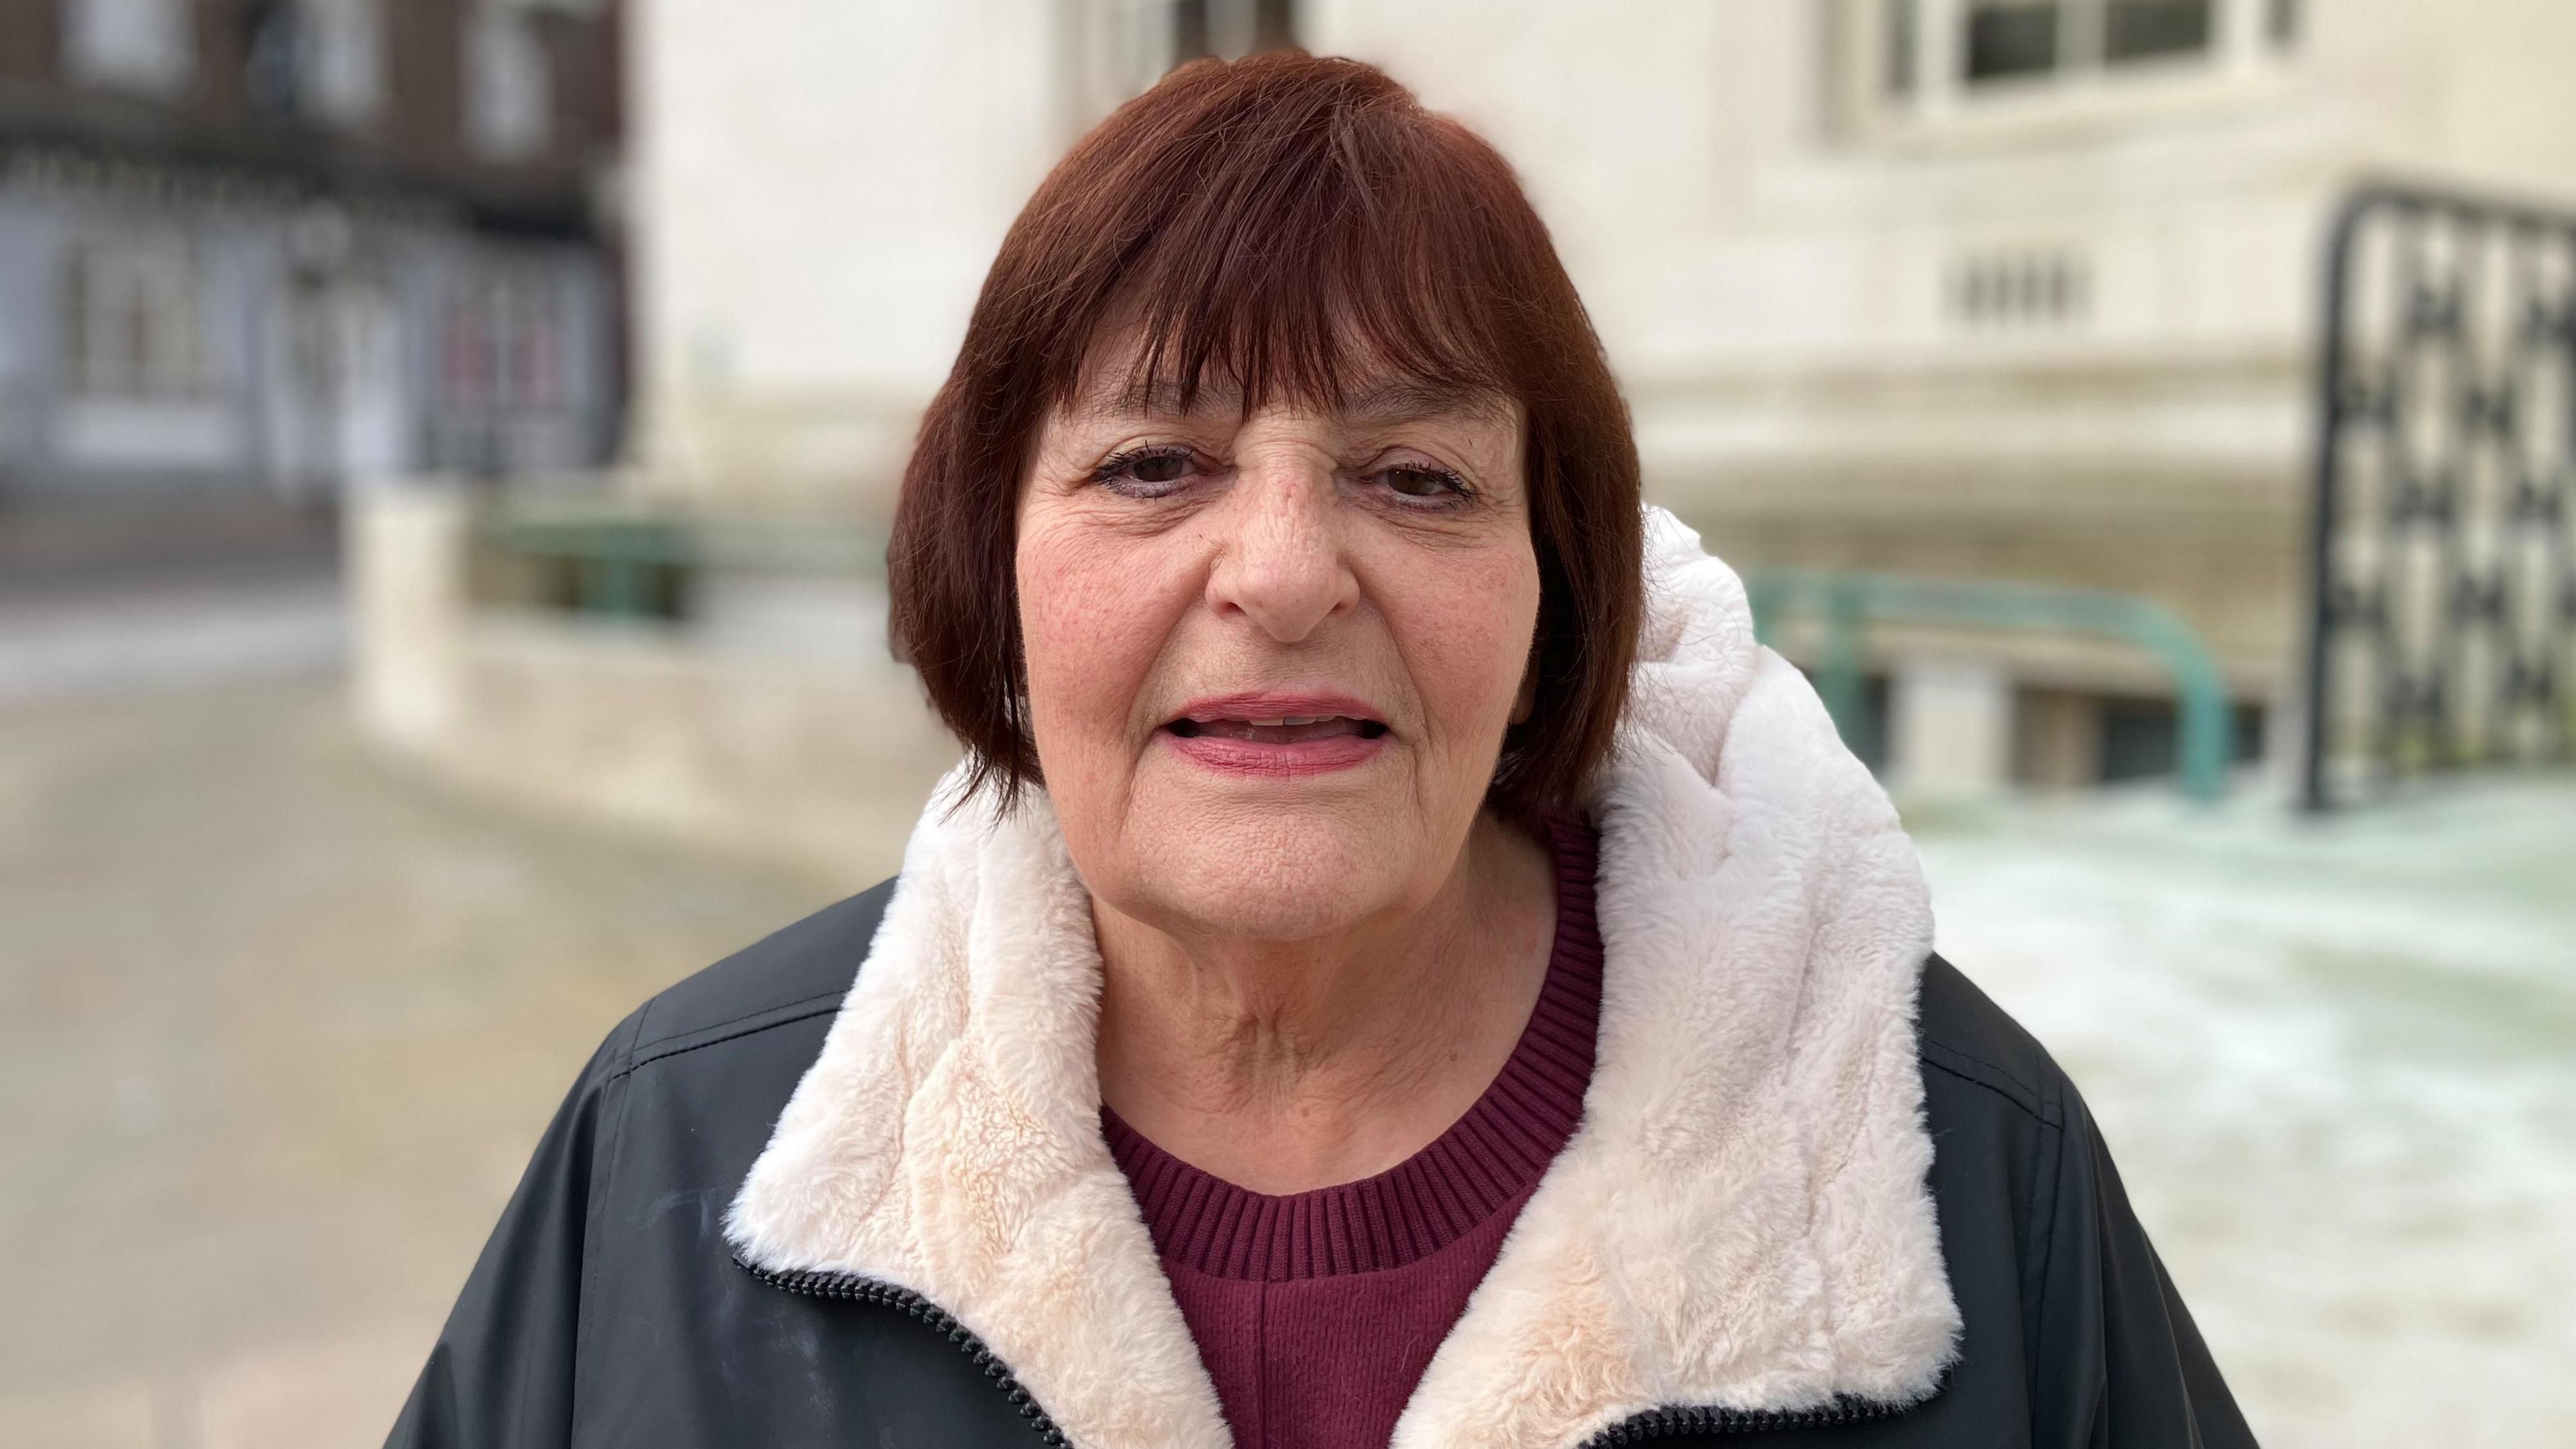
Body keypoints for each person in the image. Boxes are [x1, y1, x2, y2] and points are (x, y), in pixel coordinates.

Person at [389, 52, 2255, 1449]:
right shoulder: (681, 1152)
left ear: (1554, 600)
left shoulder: (1951, 1169)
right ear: (991, 567)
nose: (1283, 574)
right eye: (1152, 465)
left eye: (1416, 476)